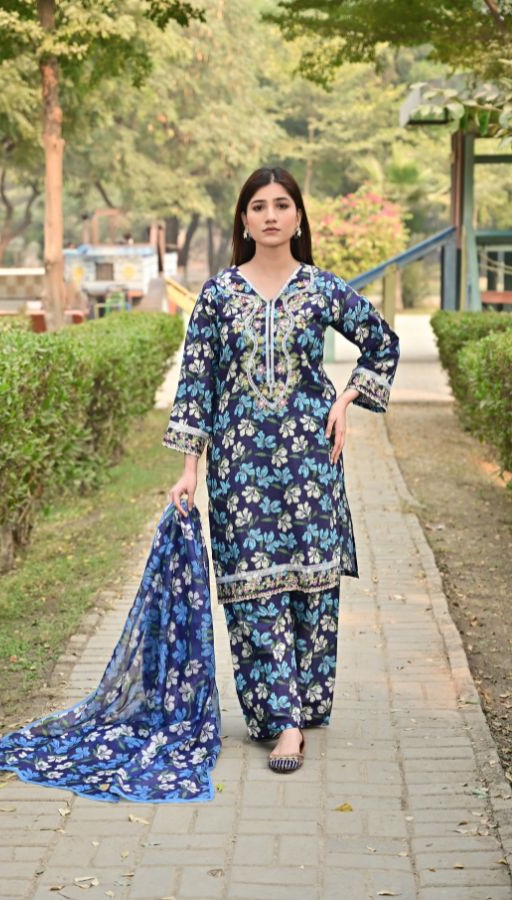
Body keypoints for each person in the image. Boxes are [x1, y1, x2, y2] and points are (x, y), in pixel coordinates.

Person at [163, 166, 400, 773]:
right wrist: (191, 468)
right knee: (253, 585)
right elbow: (197, 384)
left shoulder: (320, 288)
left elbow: (382, 342)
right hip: (240, 464)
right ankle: (283, 722)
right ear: (243, 219)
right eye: (259, 206)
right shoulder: (218, 296)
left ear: (298, 217)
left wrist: (346, 400)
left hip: (310, 458)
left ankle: (303, 704)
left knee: (309, 584)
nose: (271, 215)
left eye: (282, 205)